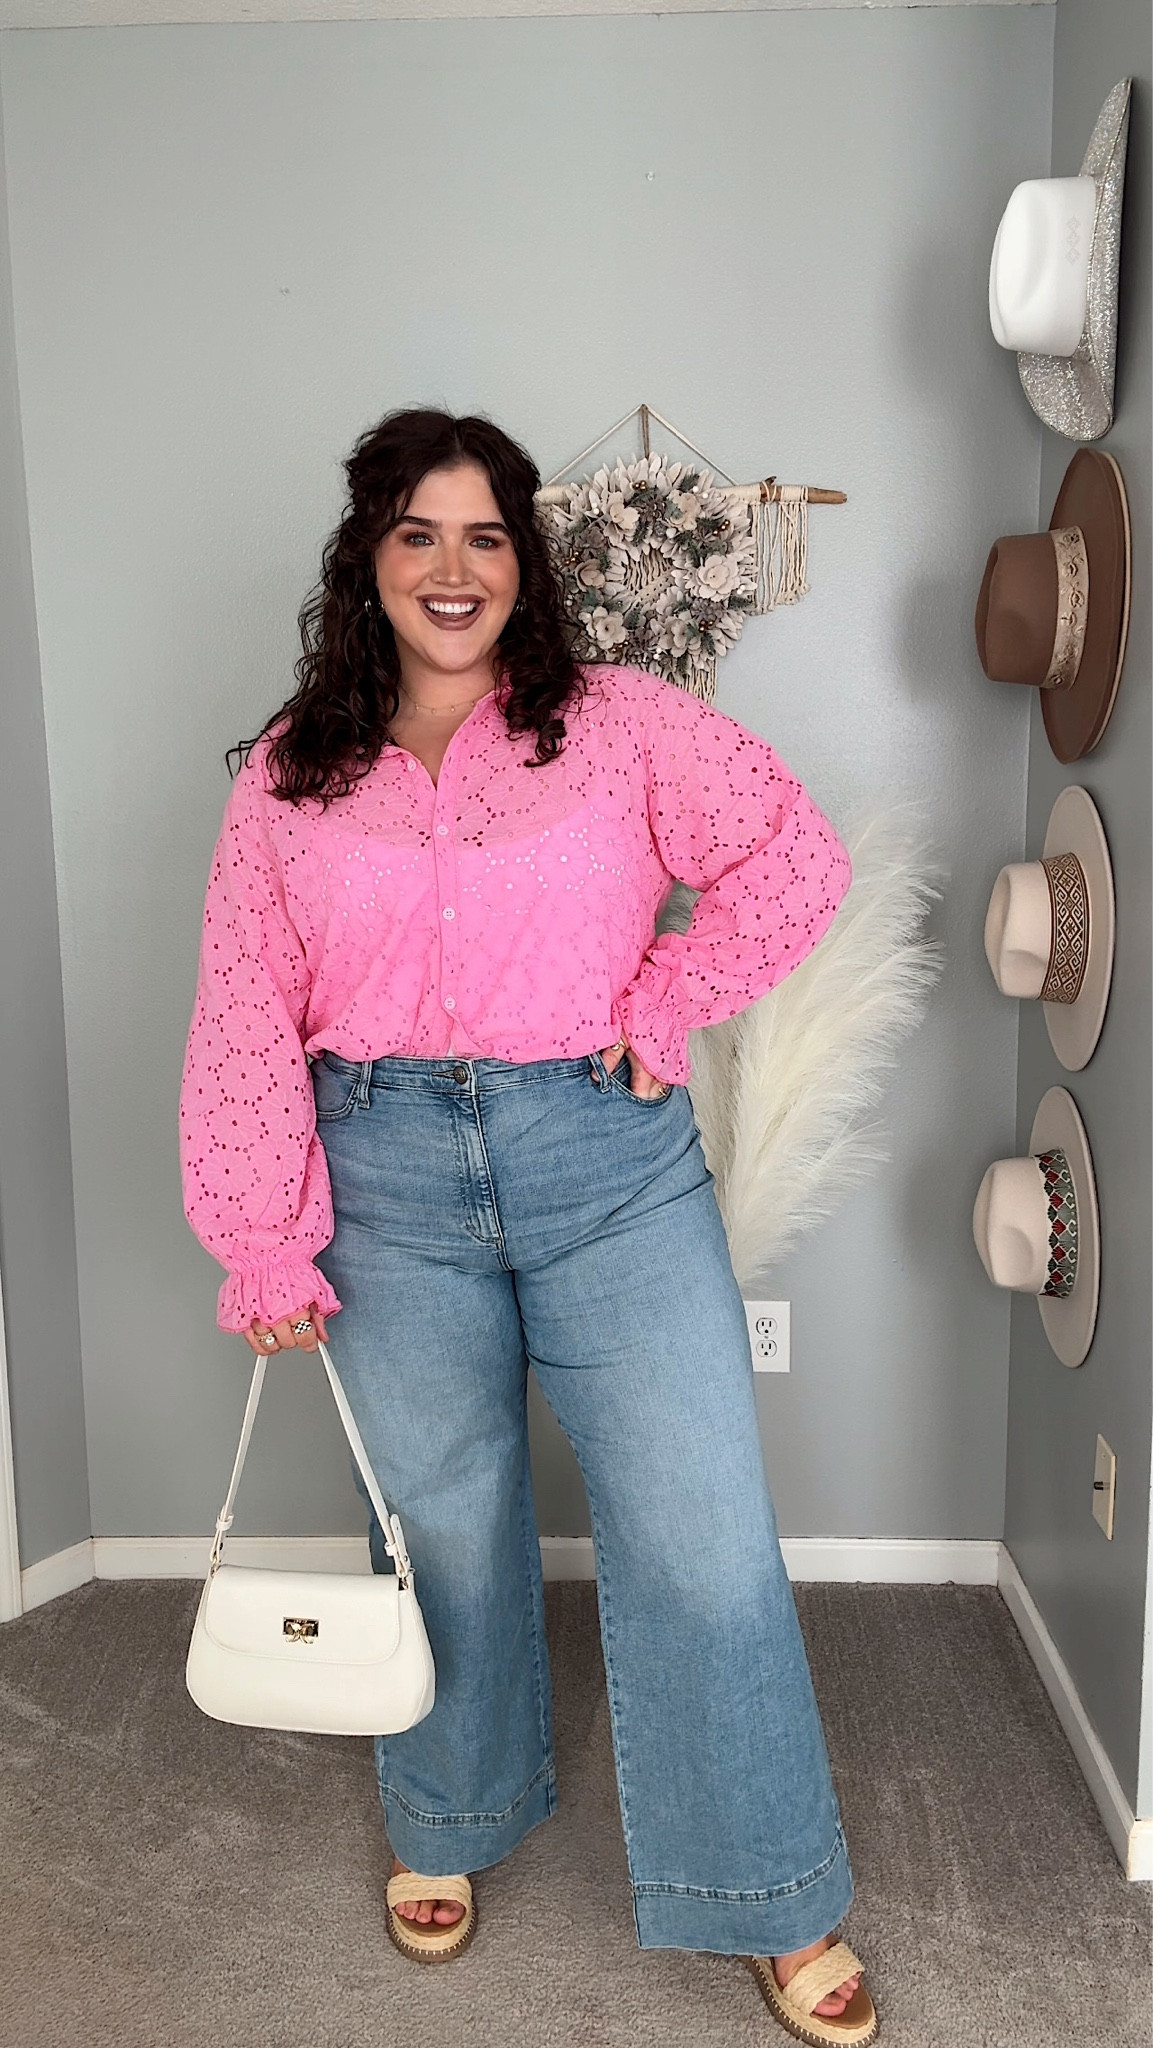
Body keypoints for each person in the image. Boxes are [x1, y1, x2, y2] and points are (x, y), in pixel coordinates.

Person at [179, 407, 877, 2046]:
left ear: (523, 565)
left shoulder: (624, 729)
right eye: (418, 532)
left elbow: (794, 857)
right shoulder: (294, 770)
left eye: (486, 535)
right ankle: (452, 1822)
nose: (452, 565)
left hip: (606, 1159)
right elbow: (240, 1008)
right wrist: (262, 1232)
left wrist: (668, 993)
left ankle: (767, 1892)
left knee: (701, 1534)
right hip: (383, 1181)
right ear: (367, 557)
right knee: (442, 1534)